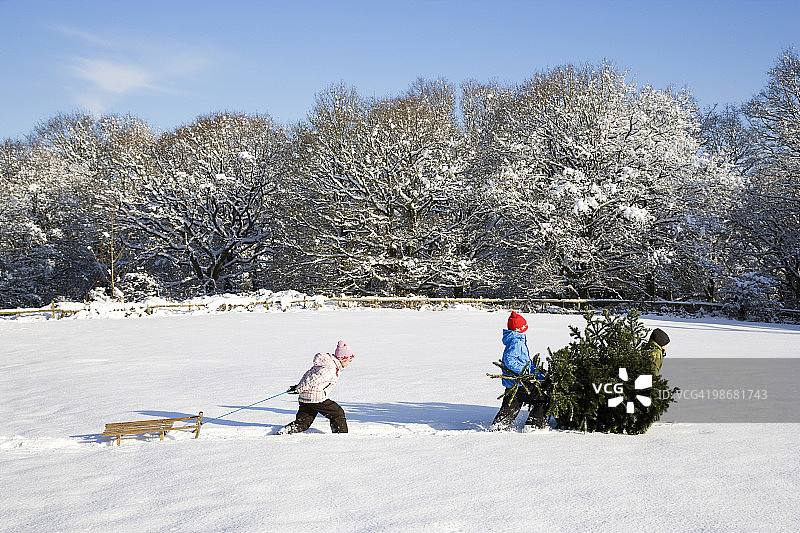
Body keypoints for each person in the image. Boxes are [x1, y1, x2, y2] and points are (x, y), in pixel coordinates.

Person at [278, 341, 355, 434]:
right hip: (315, 397)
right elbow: (312, 380)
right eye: (349, 361)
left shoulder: (328, 365)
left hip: (306, 397)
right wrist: (298, 388)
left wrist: (299, 387)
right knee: (337, 413)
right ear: (342, 359)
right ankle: (341, 436)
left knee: (303, 423)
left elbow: (308, 376)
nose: (349, 363)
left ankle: (285, 432)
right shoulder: (330, 368)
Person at [490, 311, 549, 431]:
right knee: (542, 398)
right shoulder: (516, 342)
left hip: (513, 384)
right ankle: (533, 425)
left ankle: (499, 425)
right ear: (519, 329)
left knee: (511, 406)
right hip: (521, 382)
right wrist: (524, 372)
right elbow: (509, 360)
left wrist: (539, 375)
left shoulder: (516, 339)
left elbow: (527, 363)